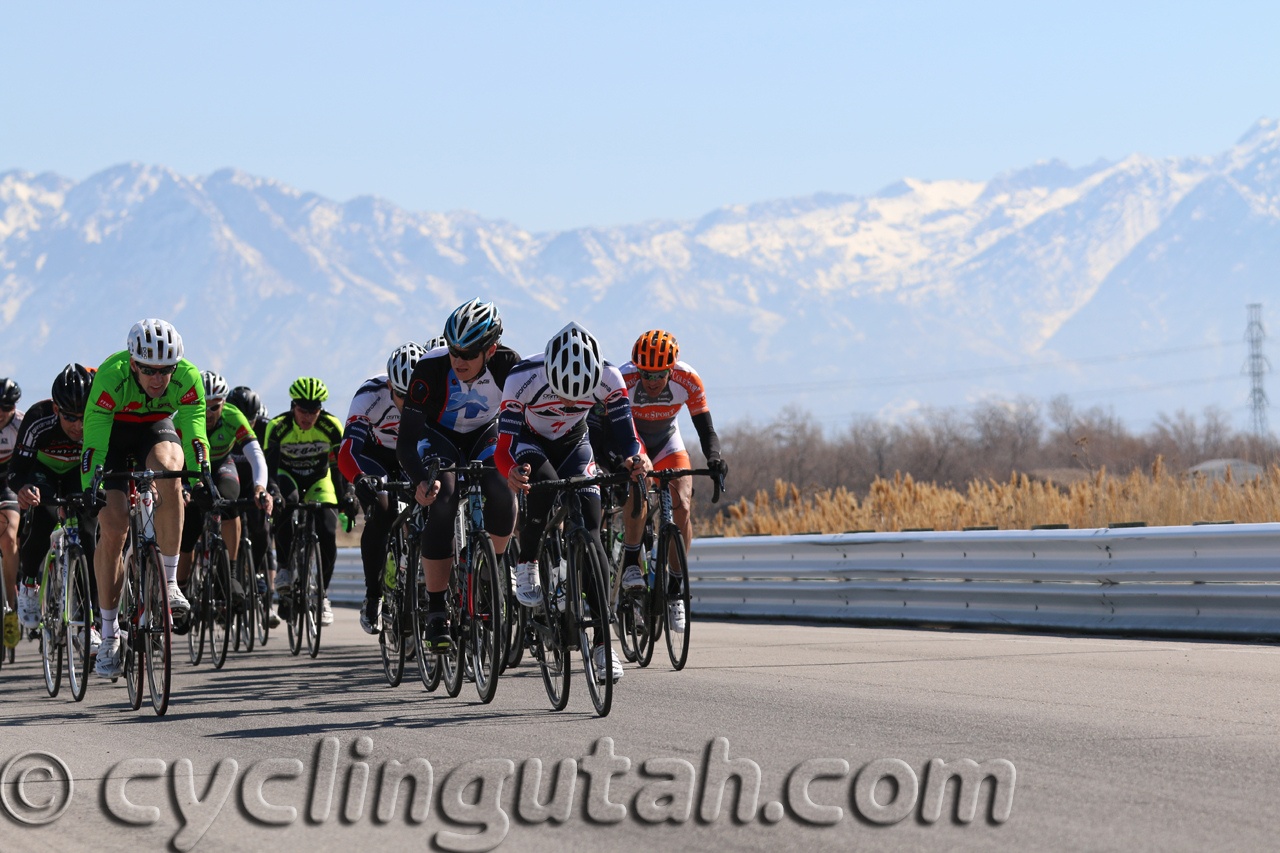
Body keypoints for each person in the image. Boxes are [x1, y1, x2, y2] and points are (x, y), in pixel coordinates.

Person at [497, 321, 648, 683]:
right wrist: (512, 472)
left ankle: (601, 645)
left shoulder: (611, 378)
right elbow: (503, 449)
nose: (566, 403)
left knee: (592, 534)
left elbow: (630, 440)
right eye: (561, 393)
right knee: (545, 485)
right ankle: (528, 559)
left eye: (576, 397)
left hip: (576, 444)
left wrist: (636, 460)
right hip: (531, 443)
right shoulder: (522, 378)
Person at [82, 319, 209, 678]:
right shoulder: (111, 376)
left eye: (165, 370)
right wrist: (92, 485)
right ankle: (108, 634)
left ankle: (169, 584)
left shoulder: (187, 378)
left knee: (171, 470)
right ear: (134, 364)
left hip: (153, 430)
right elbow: (93, 444)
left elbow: (196, 433)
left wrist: (205, 475)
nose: (158, 379)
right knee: (115, 527)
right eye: (150, 371)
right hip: (111, 437)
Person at [396, 302, 520, 651]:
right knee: (443, 498)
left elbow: (520, 428)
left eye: (467, 353)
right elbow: (406, 444)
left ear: (491, 350)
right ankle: (437, 610)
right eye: (453, 351)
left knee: (500, 486)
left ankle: (491, 570)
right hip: (440, 438)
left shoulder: (509, 366)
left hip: (485, 435)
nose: (458, 360)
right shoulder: (431, 368)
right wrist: (420, 481)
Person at [617, 330, 728, 632]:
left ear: (672, 368)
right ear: (636, 369)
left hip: (667, 441)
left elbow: (706, 429)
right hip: (635, 440)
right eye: (646, 374)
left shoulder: (688, 379)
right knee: (638, 490)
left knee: (683, 504)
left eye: (659, 374)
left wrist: (714, 459)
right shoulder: (622, 379)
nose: (652, 382)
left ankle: (676, 587)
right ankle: (629, 562)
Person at [339, 339, 434, 634]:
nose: (405, 403)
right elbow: (346, 452)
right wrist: (358, 479)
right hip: (376, 456)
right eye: (399, 394)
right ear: (389, 385)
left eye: (413, 395)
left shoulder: (436, 389)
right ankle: (373, 595)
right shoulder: (369, 394)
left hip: (414, 454)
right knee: (384, 509)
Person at [175, 372, 272, 632]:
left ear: (224, 402)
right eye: (203, 406)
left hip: (221, 466)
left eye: (214, 407)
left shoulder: (232, 416)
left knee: (231, 504)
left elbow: (256, 456)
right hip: (189, 470)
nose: (208, 413)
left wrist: (261, 487)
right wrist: (180, 488)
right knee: (189, 531)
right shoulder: (183, 416)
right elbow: (170, 458)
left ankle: (229, 575)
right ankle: (181, 588)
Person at [11, 367, 96, 653]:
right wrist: (23, 489)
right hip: (42, 472)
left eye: (84, 417)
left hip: (77, 472)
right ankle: (30, 584)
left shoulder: (97, 419)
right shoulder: (38, 419)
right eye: (70, 417)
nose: (78, 426)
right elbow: (16, 472)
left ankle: (89, 621)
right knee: (44, 519)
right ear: (56, 408)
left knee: (88, 534)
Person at [264, 377, 345, 626]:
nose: (308, 416)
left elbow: (340, 467)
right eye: (303, 410)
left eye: (314, 411)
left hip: (319, 479)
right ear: (292, 406)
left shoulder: (331, 426)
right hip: (286, 476)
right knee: (287, 502)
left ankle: (322, 596)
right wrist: (274, 493)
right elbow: (269, 468)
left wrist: (346, 499)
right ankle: (286, 568)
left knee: (329, 530)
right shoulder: (278, 426)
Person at [227, 385, 276, 624]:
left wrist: (269, 491)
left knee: (262, 529)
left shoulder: (266, 428)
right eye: (244, 420)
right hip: (227, 481)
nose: (248, 425)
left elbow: (270, 465)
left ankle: (254, 571)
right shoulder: (224, 423)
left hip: (253, 485)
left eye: (252, 420)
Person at [0, 378, 22, 650]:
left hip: (10, 481)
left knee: (8, 537)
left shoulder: (20, 423)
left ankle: (11, 609)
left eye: (6, 407)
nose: (1, 412)